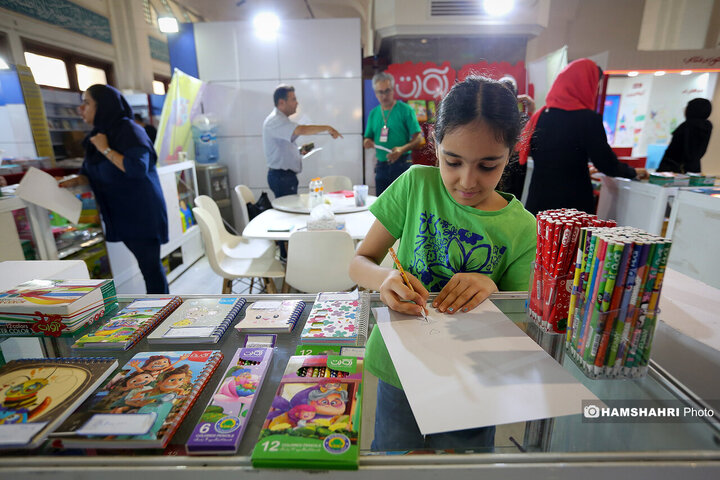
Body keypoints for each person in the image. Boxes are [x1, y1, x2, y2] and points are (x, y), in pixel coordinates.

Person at [349, 76, 537, 451]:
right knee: (397, 457)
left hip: (472, 375)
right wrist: (386, 278)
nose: (467, 181)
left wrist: (495, 291)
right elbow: (359, 262)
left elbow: (521, 324)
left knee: (461, 464)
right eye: (453, 162)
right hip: (402, 364)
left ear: (510, 155)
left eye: (488, 166)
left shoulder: (522, 227)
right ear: (435, 147)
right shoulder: (415, 184)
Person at [60, 84, 169, 294]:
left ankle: (162, 313)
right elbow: (88, 172)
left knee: (150, 269)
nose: (80, 109)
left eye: (86, 103)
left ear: (104, 106)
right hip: (120, 215)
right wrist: (70, 181)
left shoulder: (129, 130)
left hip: (141, 214)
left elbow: (137, 168)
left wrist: (105, 148)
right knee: (148, 268)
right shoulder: (97, 135)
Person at [518, 59, 649, 215]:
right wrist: (633, 172)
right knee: (574, 241)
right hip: (572, 207)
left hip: (538, 202)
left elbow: (542, 154)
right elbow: (606, 164)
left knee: (539, 240)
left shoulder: (540, 116)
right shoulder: (588, 119)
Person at [263, 85, 342, 198]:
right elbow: (301, 130)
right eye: (293, 99)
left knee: (290, 211)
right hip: (282, 176)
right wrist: (328, 127)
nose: (297, 103)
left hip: (284, 176)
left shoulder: (281, 120)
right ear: (281, 102)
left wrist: (298, 151)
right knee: (289, 212)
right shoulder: (275, 120)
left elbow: (282, 148)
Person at [363, 71, 423, 196]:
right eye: (380, 92)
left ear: (393, 90)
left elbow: (418, 138)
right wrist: (367, 142)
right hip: (381, 166)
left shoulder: (406, 110)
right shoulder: (374, 113)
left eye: (387, 91)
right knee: (382, 207)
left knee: (404, 204)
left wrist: (401, 149)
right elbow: (367, 137)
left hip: (402, 164)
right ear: (375, 93)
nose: (384, 95)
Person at [498, 74, 536, 200]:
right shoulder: (490, 119)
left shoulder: (522, 119)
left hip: (515, 172)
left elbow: (526, 145)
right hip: (497, 169)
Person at [657, 98, 713, 173]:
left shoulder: (686, 126)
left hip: (673, 168)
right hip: (693, 168)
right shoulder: (707, 127)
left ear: (692, 110)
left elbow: (676, 150)